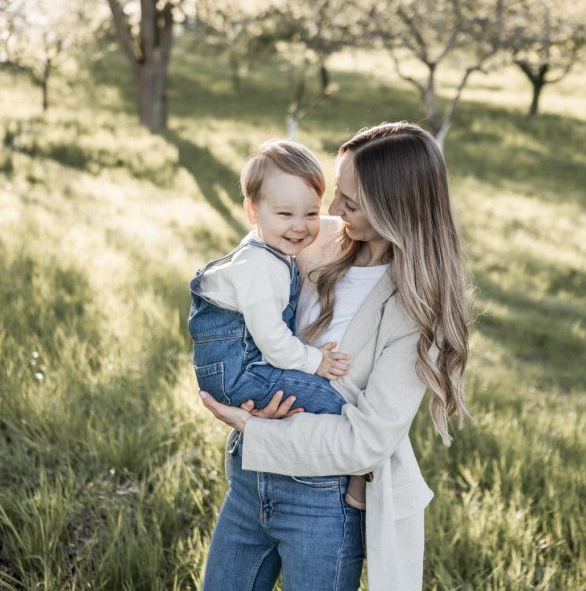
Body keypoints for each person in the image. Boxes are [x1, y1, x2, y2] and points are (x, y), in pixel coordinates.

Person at [199, 122, 470, 591]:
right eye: (336, 191)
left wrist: (256, 428)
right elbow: (247, 299)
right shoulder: (315, 239)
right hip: (250, 479)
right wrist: (247, 393)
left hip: (322, 500)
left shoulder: (416, 310)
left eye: (351, 201)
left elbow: (367, 440)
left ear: (394, 209)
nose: (332, 209)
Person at [188, 139, 367, 509]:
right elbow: (272, 341)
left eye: (311, 214)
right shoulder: (260, 266)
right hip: (235, 372)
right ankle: (363, 471)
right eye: (285, 214)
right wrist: (315, 362)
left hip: (239, 365)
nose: (300, 227)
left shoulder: (269, 249)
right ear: (252, 211)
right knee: (331, 401)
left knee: (316, 400)